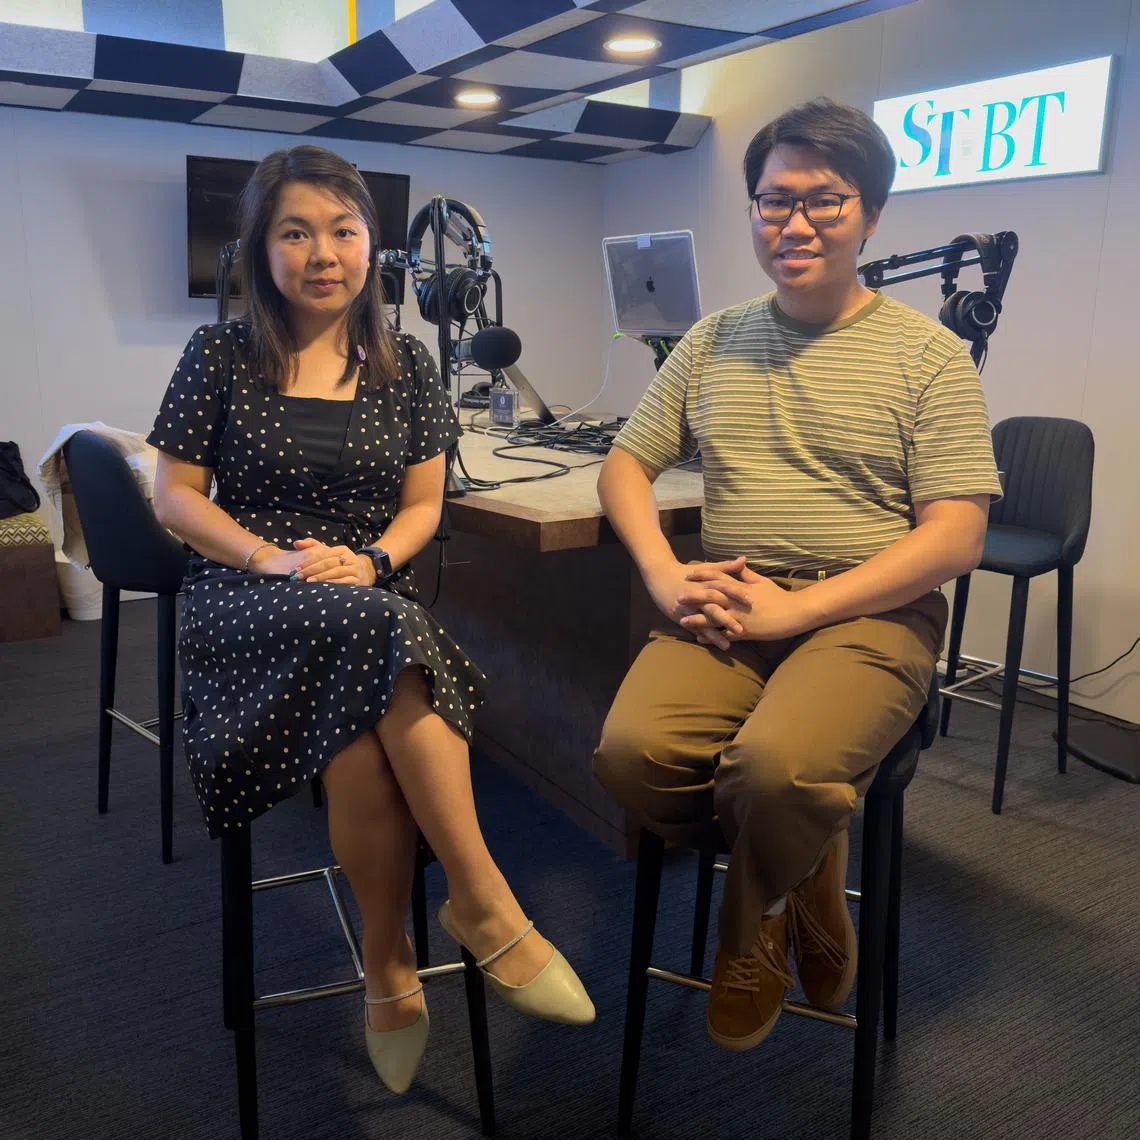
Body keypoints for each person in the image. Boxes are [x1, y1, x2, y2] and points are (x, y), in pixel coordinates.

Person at [149, 144, 593, 1095]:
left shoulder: (407, 368)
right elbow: (177, 499)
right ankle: (482, 903)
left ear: (372, 245)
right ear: (260, 250)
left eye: (343, 231)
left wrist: (378, 559)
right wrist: (272, 558)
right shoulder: (218, 354)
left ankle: (390, 968)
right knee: (382, 636)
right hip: (244, 593)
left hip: (358, 591)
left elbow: (423, 509)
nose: (323, 253)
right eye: (296, 232)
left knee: (358, 735)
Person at [593, 98, 1002, 1053]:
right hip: (737, 594)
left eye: (826, 201)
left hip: (872, 611)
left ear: (870, 215)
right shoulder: (712, 340)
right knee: (630, 754)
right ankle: (807, 862)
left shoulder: (928, 356)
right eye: (775, 202)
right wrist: (660, 571)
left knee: (775, 768)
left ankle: (752, 928)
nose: (797, 224)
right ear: (752, 213)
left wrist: (801, 609)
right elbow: (626, 464)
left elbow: (956, 536)